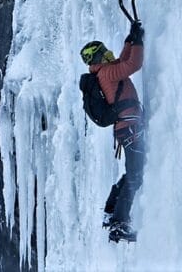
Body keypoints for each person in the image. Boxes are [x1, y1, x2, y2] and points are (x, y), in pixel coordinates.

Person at [80, 20, 145, 243]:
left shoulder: (104, 72)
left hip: (127, 129)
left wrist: (130, 39)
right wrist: (137, 41)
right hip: (129, 129)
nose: (109, 54)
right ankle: (118, 223)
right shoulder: (107, 73)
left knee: (133, 171)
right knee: (135, 175)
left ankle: (111, 210)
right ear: (99, 58)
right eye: (104, 52)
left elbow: (123, 60)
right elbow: (133, 64)